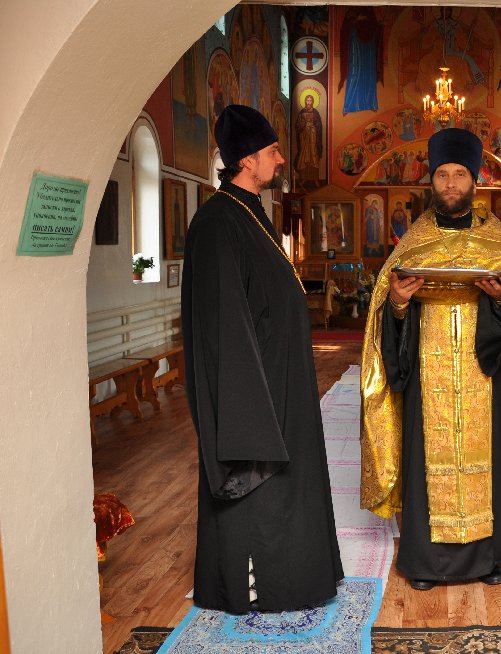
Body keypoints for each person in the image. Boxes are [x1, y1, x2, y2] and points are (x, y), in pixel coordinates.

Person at [360, 128, 501, 591]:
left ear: (474, 180)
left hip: (483, 372)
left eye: (459, 174)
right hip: (427, 373)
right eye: (442, 174)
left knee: (488, 459)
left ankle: (488, 557)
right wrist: (398, 304)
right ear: (431, 180)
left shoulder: (496, 238)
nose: (449, 183)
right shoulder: (414, 240)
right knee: (425, 460)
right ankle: (426, 563)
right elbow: (386, 309)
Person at [182, 104, 343, 613]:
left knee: (293, 485)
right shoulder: (217, 222)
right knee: (262, 490)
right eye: (273, 151)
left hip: (283, 383)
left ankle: (294, 577)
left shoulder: (252, 213)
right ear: (248, 159)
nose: (281, 159)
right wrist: (249, 413)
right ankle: (259, 584)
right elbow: (224, 327)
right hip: (256, 395)